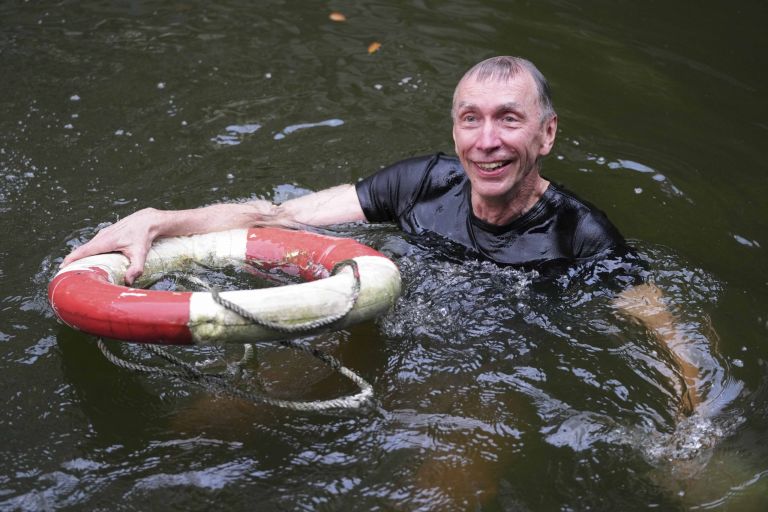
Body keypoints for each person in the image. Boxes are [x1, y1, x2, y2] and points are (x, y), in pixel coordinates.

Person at [61, 56, 701, 414]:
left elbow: (670, 335)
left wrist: (691, 431)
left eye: (509, 119)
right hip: (381, 319)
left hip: (487, 370)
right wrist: (160, 221)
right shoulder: (421, 184)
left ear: (547, 134)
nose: (487, 141)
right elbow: (280, 218)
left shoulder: (582, 234)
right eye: (470, 120)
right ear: (454, 131)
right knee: (211, 422)